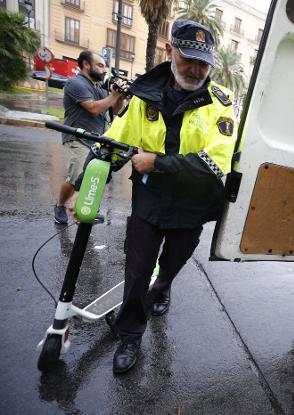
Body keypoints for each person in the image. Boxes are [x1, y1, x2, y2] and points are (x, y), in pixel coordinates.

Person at [70, 19, 237, 374]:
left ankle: (162, 288)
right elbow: (111, 147)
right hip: (150, 201)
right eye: (188, 58)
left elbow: (215, 162)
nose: (195, 69)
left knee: (173, 262)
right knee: (138, 266)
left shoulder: (221, 104)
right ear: (169, 50)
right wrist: (84, 191)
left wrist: (158, 162)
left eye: (203, 63)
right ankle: (130, 334)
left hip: (193, 205)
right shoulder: (143, 95)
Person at [54, 50, 125, 225]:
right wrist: (113, 95)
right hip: (77, 137)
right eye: (100, 65)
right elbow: (93, 108)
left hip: (96, 140)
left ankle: (85, 209)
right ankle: (60, 205)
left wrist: (120, 96)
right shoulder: (75, 83)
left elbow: (114, 111)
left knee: (95, 174)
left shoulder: (98, 88)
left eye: (105, 67)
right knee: (77, 175)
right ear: (86, 64)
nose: (104, 70)